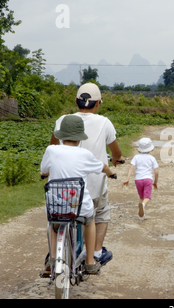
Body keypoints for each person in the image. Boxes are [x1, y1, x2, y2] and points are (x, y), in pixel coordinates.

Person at [50, 83, 124, 267]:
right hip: (91, 189)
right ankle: (96, 252)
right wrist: (117, 159)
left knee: (55, 217)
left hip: (61, 188)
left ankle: (53, 256)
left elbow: (52, 146)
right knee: (100, 214)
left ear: (76, 101)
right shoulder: (104, 122)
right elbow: (116, 151)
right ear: (98, 103)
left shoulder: (63, 120)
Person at [41, 115, 116, 274]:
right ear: (80, 138)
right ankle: (90, 262)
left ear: (61, 136)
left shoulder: (51, 150)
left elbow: (44, 170)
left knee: (53, 223)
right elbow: (102, 166)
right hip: (78, 206)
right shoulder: (85, 154)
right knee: (89, 220)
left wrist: (44, 174)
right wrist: (110, 172)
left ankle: (53, 258)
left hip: (56, 204)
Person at [123, 138, 159, 221]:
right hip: (148, 179)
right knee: (147, 197)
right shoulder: (152, 158)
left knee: (141, 196)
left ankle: (141, 215)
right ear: (151, 148)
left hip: (138, 180)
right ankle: (143, 205)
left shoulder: (136, 157)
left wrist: (127, 178)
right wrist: (155, 182)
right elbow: (156, 172)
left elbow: (131, 168)